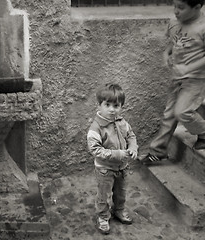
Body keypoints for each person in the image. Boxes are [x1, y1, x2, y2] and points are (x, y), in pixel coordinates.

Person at [142, 0, 205, 164]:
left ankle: (204, 131)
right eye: (174, 6)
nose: (176, 11)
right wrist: (166, 54)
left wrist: (188, 68)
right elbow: (172, 44)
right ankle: (158, 151)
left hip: (195, 79)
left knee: (182, 112)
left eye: (181, 8)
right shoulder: (174, 22)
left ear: (197, 7)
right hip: (176, 78)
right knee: (168, 115)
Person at [87, 83, 138, 234]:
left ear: (121, 106)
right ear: (100, 105)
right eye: (107, 104)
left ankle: (119, 210)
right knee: (104, 194)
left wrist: (133, 147)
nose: (111, 109)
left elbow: (131, 136)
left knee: (121, 192)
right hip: (104, 169)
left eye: (116, 105)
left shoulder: (122, 123)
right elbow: (95, 150)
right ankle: (103, 217)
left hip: (122, 167)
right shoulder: (96, 128)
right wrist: (117, 154)